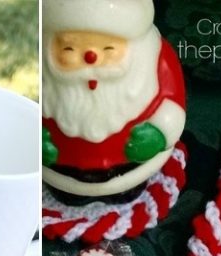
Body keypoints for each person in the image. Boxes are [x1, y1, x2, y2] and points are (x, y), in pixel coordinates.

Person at [42, 0, 186, 199]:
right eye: (69, 49)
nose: (91, 57)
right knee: (67, 194)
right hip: (61, 169)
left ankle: (127, 188)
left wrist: (160, 131)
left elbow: (173, 101)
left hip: (131, 166)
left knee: (128, 191)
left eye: (109, 49)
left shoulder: (154, 59)